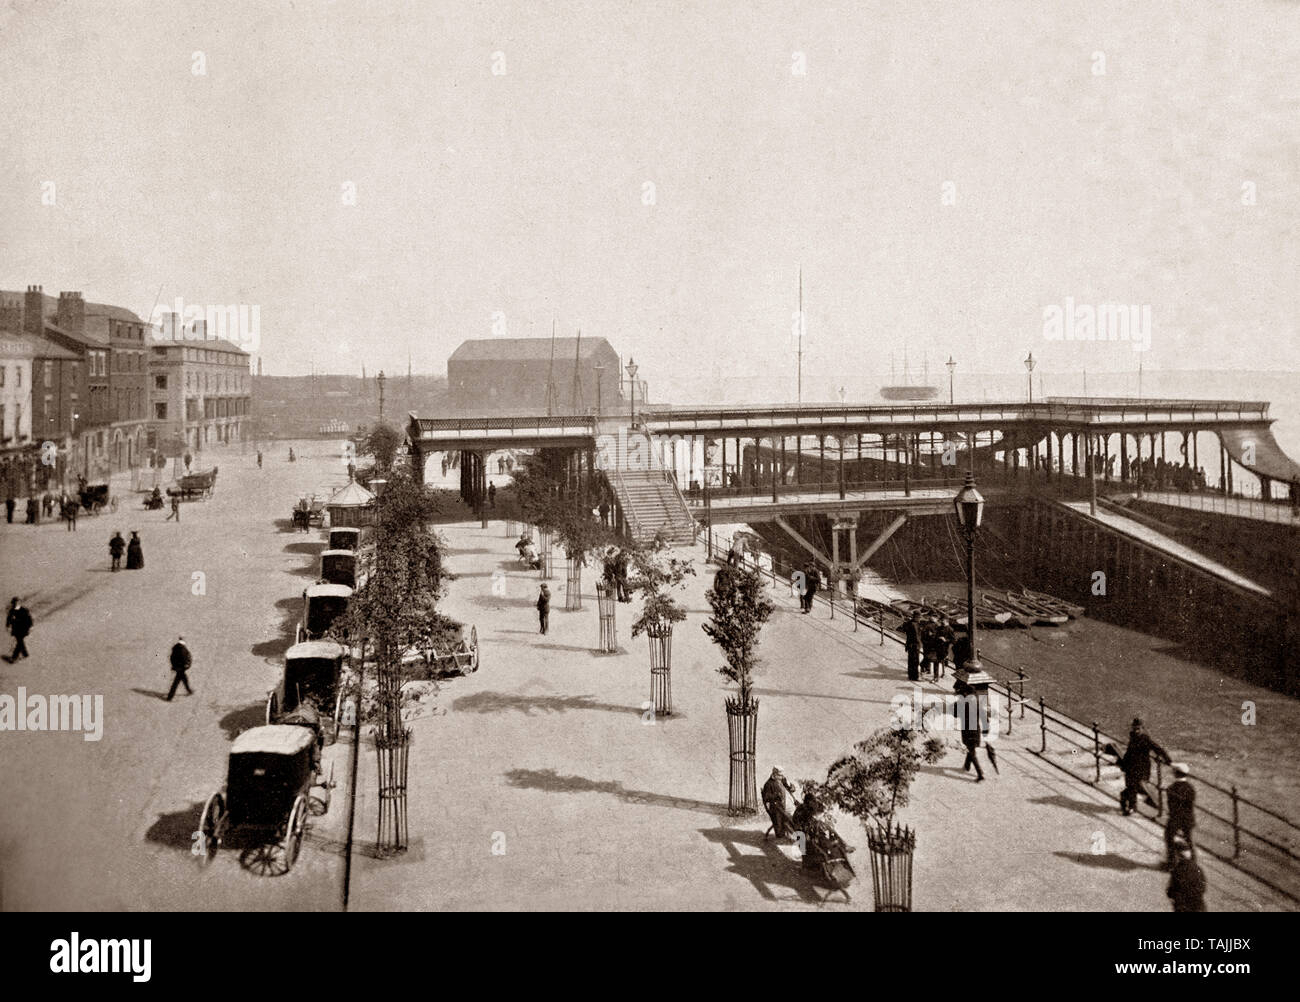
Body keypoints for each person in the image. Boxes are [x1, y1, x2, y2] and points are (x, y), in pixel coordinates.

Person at [1119, 718, 1170, 816]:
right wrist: (1124, 764)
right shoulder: (1132, 737)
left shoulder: (1145, 739)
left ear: (1142, 728)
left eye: (1138, 729)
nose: (1136, 731)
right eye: (1135, 728)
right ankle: (1130, 805)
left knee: (1133, 786)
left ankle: (1129, 805)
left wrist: (1168, 760)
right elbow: (1128, 753)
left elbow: (1158, 749)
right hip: (1131, 767)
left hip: (1141, 769)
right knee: (1131, 786)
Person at [954, 678, 998, 781]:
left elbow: (955, 714)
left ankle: (980, 773)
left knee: (971, 750)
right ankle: (967, 765)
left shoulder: (962, 703)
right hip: (976, 729)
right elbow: (984, 717)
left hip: (967, 730)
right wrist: (986, 729)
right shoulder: (977, 702)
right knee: (971, 747)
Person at [1164, 763, 1196, 868]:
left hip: (1175, 818)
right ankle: (1193, 861)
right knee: (1189, 839)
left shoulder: (1171, 788)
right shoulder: (1191, 788)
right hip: (1188, 818)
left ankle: (1171, 862)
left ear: (1175, 774)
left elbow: (1171, 806)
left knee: (1169, 837)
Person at [1166, 836, 1206, 911]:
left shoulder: (1178, 871)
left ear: (1177, 855)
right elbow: (1203, 887)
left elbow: (1170, 891)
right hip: (1199, 907)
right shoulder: (1198, 868)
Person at [762, 767, 798, 841]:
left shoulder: (782, 780)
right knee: (793, 818)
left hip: (790, 803)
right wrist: (776, 796)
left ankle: (798, 831)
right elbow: (766, 797)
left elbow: (793, 790)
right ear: (774, 774)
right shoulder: (769, 784)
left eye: (782, 775)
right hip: (780, 807)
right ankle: (796, 833)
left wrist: (789, 785)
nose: (781, 777)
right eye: (779, 775)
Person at [166, 636, 193, 700]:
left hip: (177, 667)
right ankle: (170, 697)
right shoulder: (183, 649)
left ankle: (189, 690)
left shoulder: (175, 648)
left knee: (184, 679)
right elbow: (185, 658)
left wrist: (174, 666)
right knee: (176, 682)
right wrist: (187, 665)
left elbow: (172, 658)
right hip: (181, 668)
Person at [6, 597, 32, 662]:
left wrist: (30, 626)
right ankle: (25, 654)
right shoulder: (12, 611)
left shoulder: (24, 610)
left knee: (19, 642)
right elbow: (8, 619)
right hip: (16, 629)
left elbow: (29, 619)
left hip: (23, 628)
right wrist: (8, 626)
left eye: (17, 603)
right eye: (14, 603)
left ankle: (14, 657)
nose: (16, 604)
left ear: (19, 603)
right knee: (20, 642)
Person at [932, 615, 954, 681]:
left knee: (941, 661)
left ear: (946, 621)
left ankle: (942, 673)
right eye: (941, 620)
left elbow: (953, 640)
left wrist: (945, 640)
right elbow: (935, 637)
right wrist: (937, 638)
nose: (941, 622)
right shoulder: (939, 628)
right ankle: (936, 676)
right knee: (936, 661)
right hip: (937, 647)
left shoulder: (950, 629)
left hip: (944, 648)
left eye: (943, 620)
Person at [902, 610, 922, 682]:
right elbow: (917, 636)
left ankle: (910, 675)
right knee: (915, 661)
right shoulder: (915, 624)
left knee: (910, 661)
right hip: (915, 645)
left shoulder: (909, 623)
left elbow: (904, 629)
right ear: (916, 617)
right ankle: (915, 677)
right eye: (919, 617)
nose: (920, 619)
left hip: (909, 644)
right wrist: (920, 644)